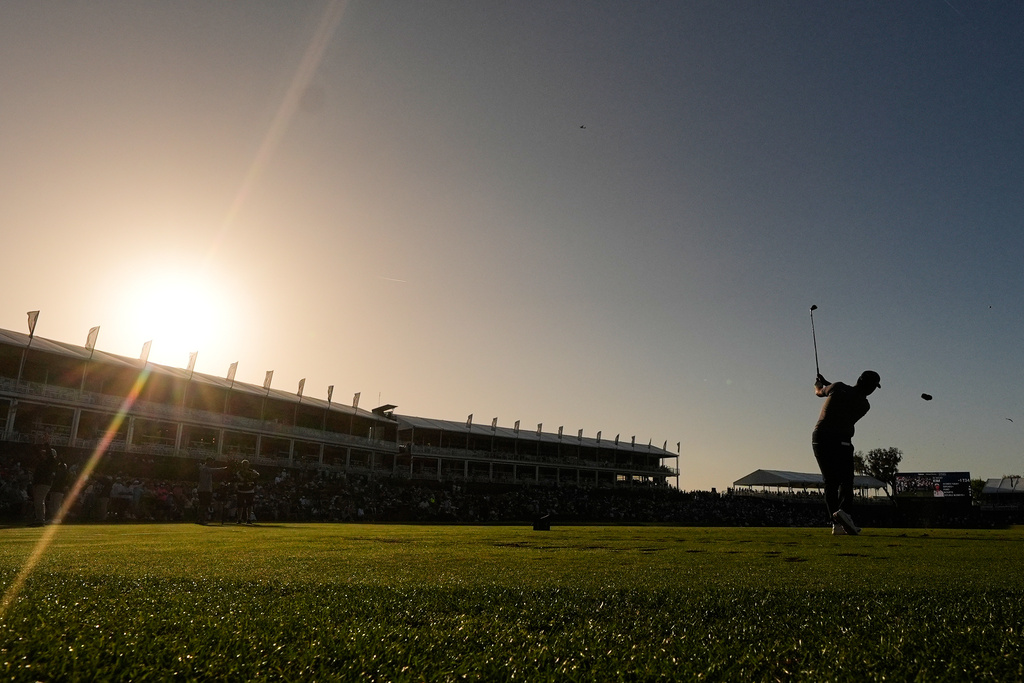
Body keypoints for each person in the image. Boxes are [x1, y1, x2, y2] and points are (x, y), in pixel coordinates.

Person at [812, 370, 881, 536]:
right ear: (870, 388)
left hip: (820, 437)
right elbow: (848, 395)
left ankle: (836, 525)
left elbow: (820, 392)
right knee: (846, 479)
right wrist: (828, 384)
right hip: (841, 440)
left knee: (830, 482)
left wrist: (819, 384)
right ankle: (845, 513)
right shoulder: (865, 405)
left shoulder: (838, 387)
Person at [30, 446, 58, 526]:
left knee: (39, 501)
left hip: (44, 483)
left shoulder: (51, 462)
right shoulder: (44, 462)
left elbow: (49, 456)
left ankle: (40, 519)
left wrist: (46, 443)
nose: (43, 455)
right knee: (37, 501)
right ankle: (38, 519)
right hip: (39, 483)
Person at [196, 457, 227, 524]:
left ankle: (199, 519)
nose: (212, 463)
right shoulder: (204, 468)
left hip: (204, 489)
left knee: (203, 505)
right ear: (207, 461)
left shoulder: (203, 467)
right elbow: (213, 470)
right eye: (210, 461)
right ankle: (201, 519)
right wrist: (224, 469)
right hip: (204, 489)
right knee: (204, 505)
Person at [235, 460, 259, 525]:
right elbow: (239, 478)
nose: (245, 465)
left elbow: (257, 475)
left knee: (249, 505)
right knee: (240, 505)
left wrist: (249, 473)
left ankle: (249, 518)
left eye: (246, 464)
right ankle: (239, 519)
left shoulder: (252, 471)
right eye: (244, 464)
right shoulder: (239, 472)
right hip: (241, 490)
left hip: (250, 490)